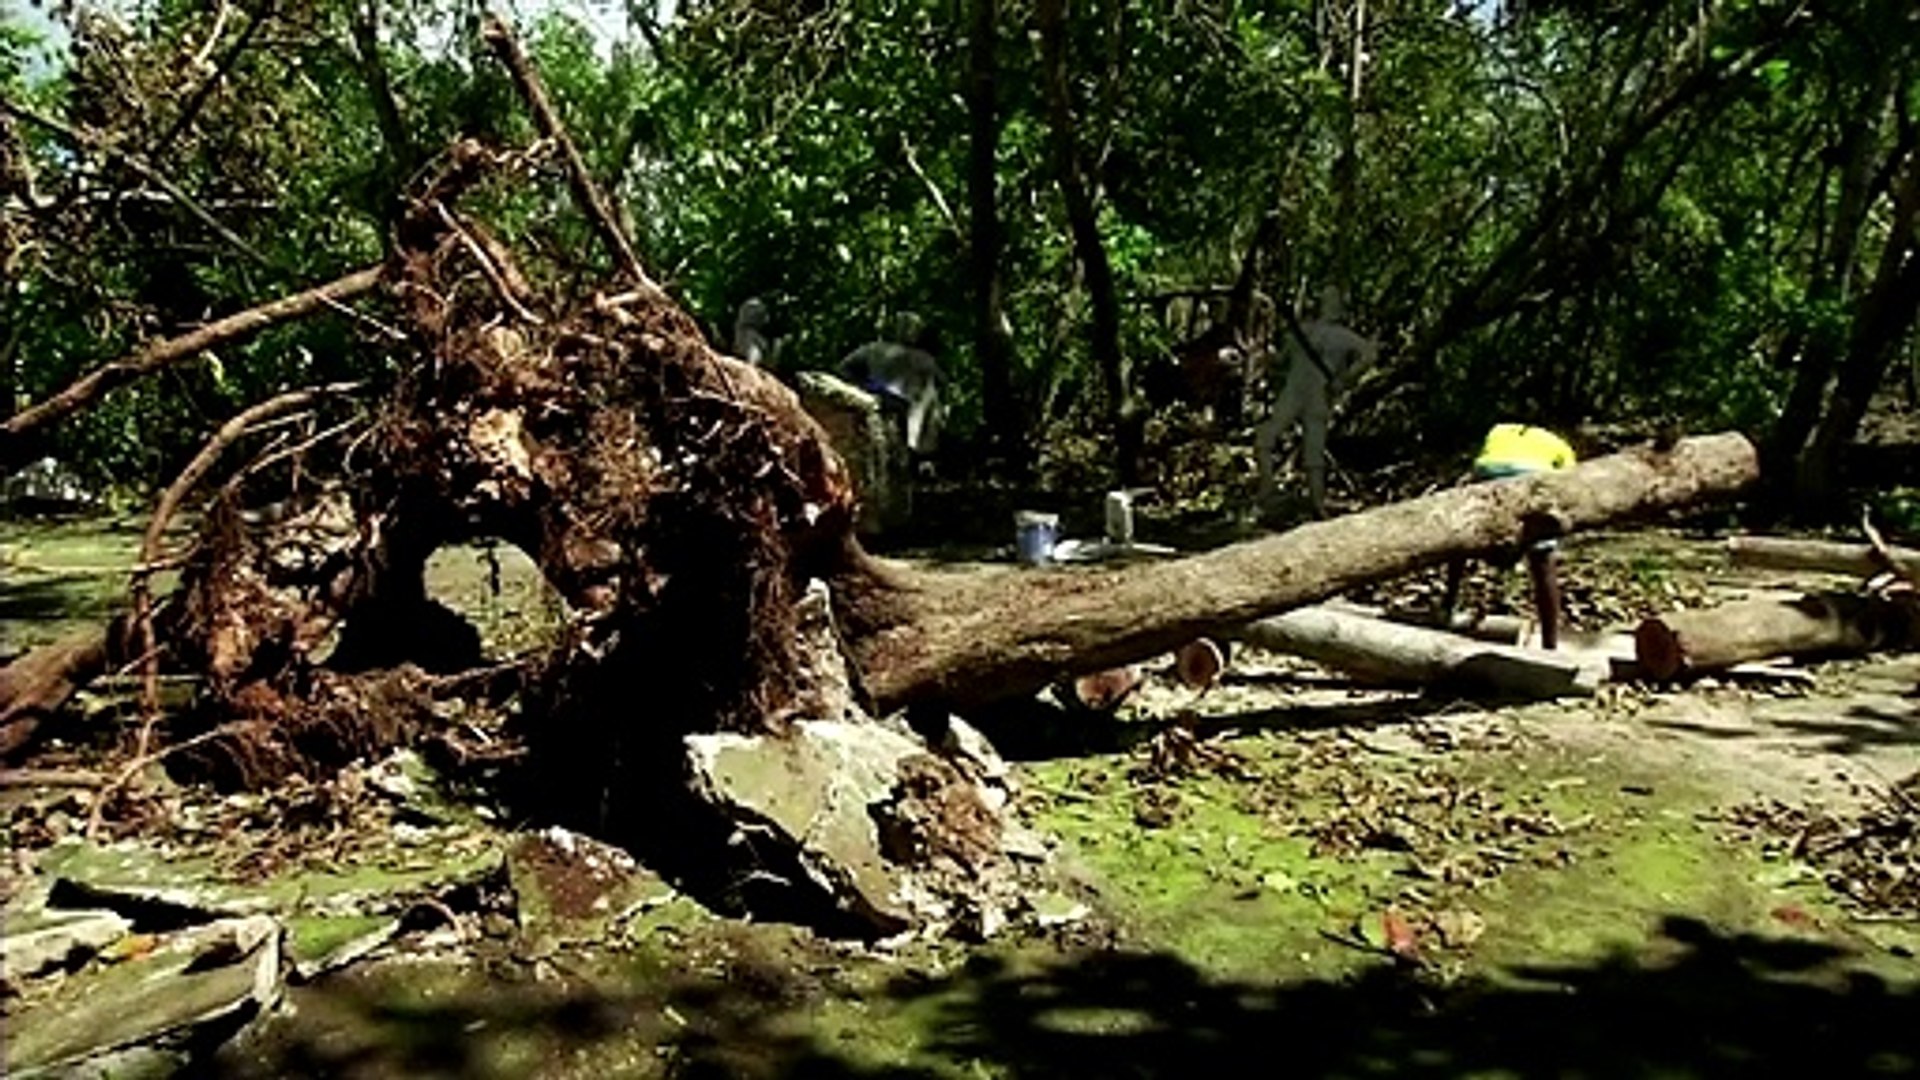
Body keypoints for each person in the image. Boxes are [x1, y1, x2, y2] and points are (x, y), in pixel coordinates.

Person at [1442, 422, 1579, 648]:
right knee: (1542, 560)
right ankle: (1550, 643)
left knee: (1464, 539)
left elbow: (1482, 460)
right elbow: (1568, 483)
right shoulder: (1559, 445)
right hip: (1533, 474)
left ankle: (1447, 606)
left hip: (1489, 469)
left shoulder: (1499, 429)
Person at [1255, 286, 1379, 518]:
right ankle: (1295, 496)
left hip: (1302, 394)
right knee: (1305, 446)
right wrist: (1346, 378)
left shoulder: (1312, 332)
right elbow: (1370, 355)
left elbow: (1279, 361)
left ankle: (1297, 496)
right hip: (1309, 394)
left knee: (1279, 441)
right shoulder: (1331, 335)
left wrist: (1345, 378)